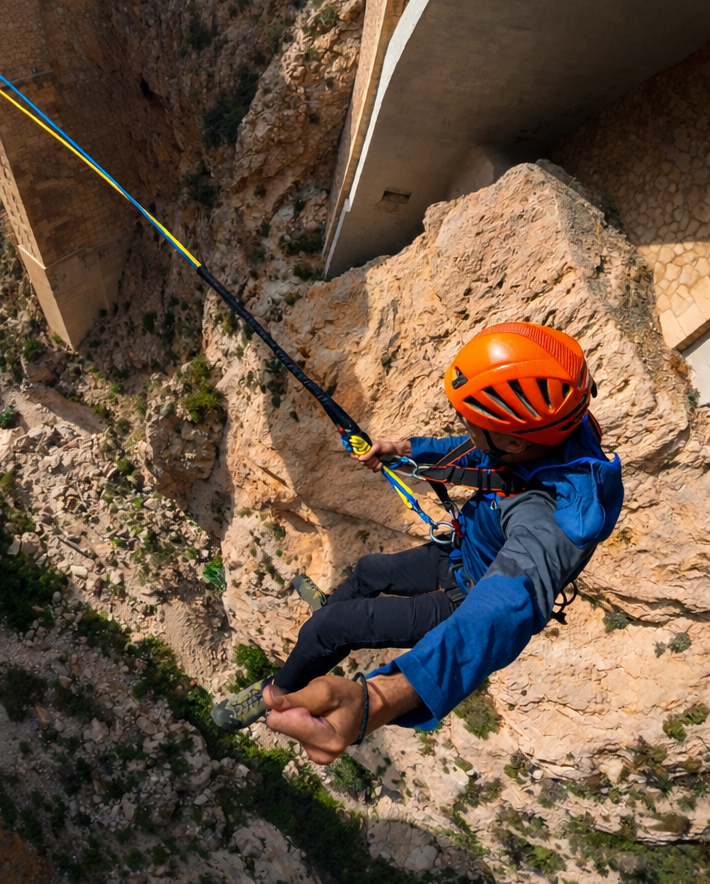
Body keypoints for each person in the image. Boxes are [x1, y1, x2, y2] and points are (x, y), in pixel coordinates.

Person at [211, 322, 623, 764]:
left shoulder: (551, 519)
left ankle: (278, 691)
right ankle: (331, 620)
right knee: (368, 570)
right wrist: (401, 450)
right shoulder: (551, 431)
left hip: (463, 598)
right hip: (460, 552)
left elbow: (504, 607)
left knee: (326, 629)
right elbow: (480, 451)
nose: (464, 425)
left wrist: (378, 700)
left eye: (471, 422)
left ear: (511, 439)